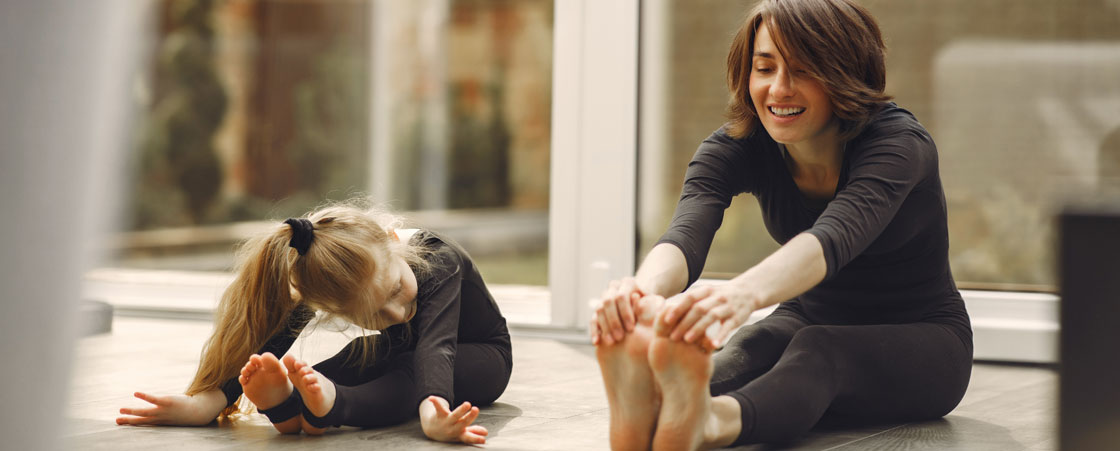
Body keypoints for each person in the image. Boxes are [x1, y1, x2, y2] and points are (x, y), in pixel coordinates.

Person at [591, 0, 973, 448]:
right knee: (752, 344)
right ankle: (658, 404)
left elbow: (833, 237)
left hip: (924, 340)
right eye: (765, 68)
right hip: (807, 315)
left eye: (804, 70)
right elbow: (687, 230)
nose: (780, 89)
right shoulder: (737, 146)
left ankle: (713, 422)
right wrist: (640, 295)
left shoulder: (899, 145)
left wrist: (742, 293)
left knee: (819, 352)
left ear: (845, 73)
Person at [116, 202, 513, 445]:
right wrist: (208, 402)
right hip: (411, 354)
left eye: (394, 291)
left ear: (394, 240)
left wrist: (434, 414)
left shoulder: (440, 259)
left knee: (407, 366)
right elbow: (271, 335)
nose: (395, 315)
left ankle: (334, 405)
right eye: (373, 314)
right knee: (360, 353)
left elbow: (435, 347)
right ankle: (290, 408)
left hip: (484, 357)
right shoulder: (326, 272)